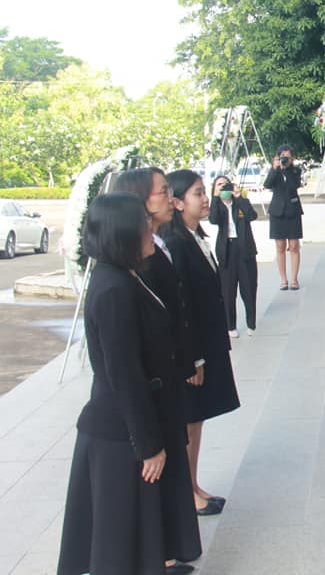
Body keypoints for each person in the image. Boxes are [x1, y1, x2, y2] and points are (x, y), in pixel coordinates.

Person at [58, 193, 200, 575]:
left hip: (135, 423)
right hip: (120, 432)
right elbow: (123, 375)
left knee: (142, 531)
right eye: (143, 226)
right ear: (122, 233)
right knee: (119, 541)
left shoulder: (125, 276)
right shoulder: (113, 289)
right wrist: (148, 445)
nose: (150, 232)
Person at [113, 168, 204, 573]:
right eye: (163, 192)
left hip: (168, 376)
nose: (171, 198)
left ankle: (167, 552)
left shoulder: (158, 245)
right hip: (154, 385)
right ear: (139, 201)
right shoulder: (127, 272)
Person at [162, 169, 241, 515]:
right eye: (197, 193)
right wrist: (193, 357)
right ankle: (186, 492)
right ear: (178, 202)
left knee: (197, 419)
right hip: (194, 350)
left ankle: (193, 484)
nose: (205, 198)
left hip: (208, 341)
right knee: (189, 420)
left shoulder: (194, 236)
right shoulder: (176, 243)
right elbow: (181, 306)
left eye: (203, 192)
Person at [210, 175, 259, 338]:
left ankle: (251, 323)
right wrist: (215, 197)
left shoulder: (240, 202)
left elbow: (252, 216)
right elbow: (213, 219)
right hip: (227, 250)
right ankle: (231, 326)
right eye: (219, 185)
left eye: (226, 184)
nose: (223, 187)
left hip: (244, 248)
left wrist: (239, 196)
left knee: (249, 288)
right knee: (228, 291)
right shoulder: (217, 205)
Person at [263, 145, 303, 290]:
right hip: (277, 211)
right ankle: (283, 279)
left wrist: (287, 169)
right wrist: (276, 168)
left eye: (288, 156)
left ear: (292, 158)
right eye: (282, 156)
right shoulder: (274, 170)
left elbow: (294, 185)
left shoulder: (296, 171)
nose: (285, 159)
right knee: (280, 246)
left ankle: (294, 279)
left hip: (293, 210)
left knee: (294, 246)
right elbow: (267, 184)